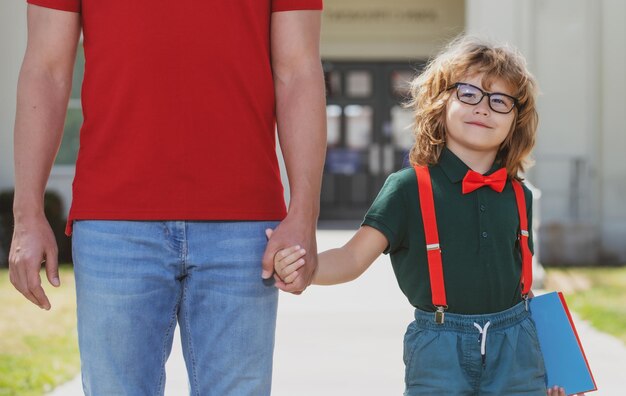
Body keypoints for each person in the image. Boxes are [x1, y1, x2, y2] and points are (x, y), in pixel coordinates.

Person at [9, 1, 326, 395]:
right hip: (115, 222)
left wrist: (304, 213)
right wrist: (27, 215)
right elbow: (46, 71)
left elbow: (297, 72)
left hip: (243, 226)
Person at [271, 36, 580, 396]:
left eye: (500, 101)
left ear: (516, 119)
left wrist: (555, 371)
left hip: (518, 348)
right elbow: (353, 257)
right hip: (439, 347)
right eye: (468, 93)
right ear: (440, 102)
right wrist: (304, 268)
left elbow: (525, 285)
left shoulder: (518, 193)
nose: (483, 108)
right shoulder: (407, 189)